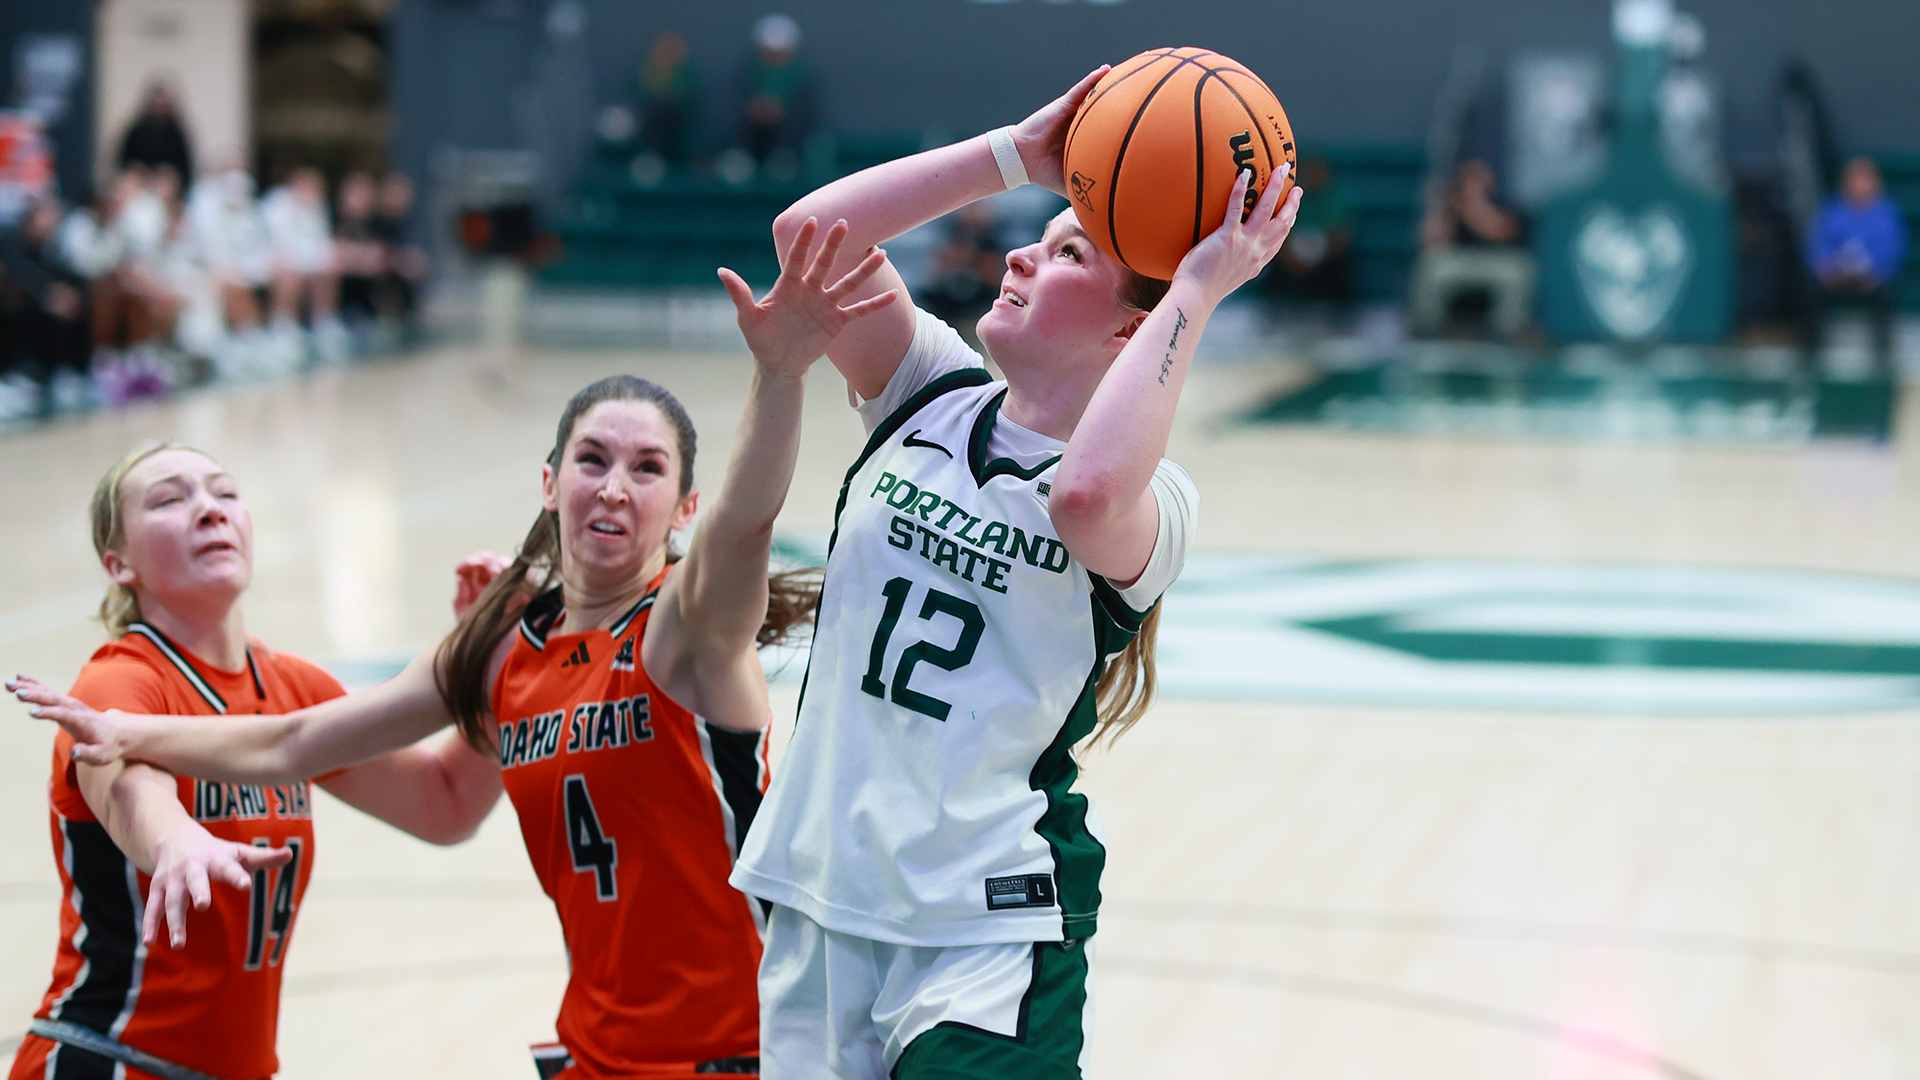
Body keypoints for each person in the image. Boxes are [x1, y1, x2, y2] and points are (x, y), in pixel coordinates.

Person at [15, 218, 899, 1078]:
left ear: (685, 508)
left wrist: (778, 375)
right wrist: (136, 755)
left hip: (733, 1053)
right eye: (592, 460)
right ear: (549, 485)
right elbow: (283, 747)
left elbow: (744, 530)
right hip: (587, 1056)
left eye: (649, 469)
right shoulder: (498, 650)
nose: (616, 489)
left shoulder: (683, 628)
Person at [722, 69, 1298, 1078]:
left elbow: (1080, 499)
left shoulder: (1154, 503)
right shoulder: (926, 393)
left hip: (986, 929)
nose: (1021, 251)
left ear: (1130, 327)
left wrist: (1198, 289)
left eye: (1069, 250)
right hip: (819, 890)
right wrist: (1014, 158)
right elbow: (807, 238)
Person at [6, 440, 504, 1080]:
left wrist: (492, 667)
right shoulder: (118, 685)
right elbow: (133, 795)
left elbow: (447, 804)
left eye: (225, 492)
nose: (209, 510)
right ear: (118, 563)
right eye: (169, 499)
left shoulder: (292, 689)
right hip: (106, 1059)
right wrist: (175, 839)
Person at [1805, 155, 1908, 374]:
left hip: (1871, 278)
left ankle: (1881, 351)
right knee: (1807, 286)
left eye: (1865, 179)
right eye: (1855, 179)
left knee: (1887, 290)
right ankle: (1812, 349)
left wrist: (1877, 272)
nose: (1860, 185)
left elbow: (1893, 250)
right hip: (1836, 275)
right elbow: (1817, 244)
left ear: (1874, 183)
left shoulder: (1887, 213)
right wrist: (1826, 269)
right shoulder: (1832, 209)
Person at [1410, 158, 1534, 339]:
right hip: (1461, 261)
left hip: (1495, 260)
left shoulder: (1504, 201)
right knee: (1431, 264)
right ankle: (1426, 331)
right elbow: (1430, 241)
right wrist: (1437, 207)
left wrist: (1474, 206)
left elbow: (1499, 232)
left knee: (1518, 271)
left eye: (1477, 179)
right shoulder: (1450, 202)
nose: (1472, 184)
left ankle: (1508, 333)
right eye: (1468, 179)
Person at [1259, 155, 1354, 310]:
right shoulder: (1291, 197)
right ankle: (1274, 311)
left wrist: (1321, 258)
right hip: (1290, 256)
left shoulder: (1334, 199)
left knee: (1342, 267)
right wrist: (1289, 258)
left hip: (1326, 257)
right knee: (1270, 262)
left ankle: (1337, 313)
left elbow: (1341, 235)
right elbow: (1277, 227)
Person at [117, 82, 193, 191]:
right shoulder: (137, 132)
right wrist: (138, 169)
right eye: (156, 105)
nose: (159, 110)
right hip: (139, 184)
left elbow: (184, 169)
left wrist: (166, 173)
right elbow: (123, 161)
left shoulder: (176, 135)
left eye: (163, 106)